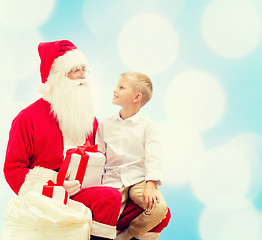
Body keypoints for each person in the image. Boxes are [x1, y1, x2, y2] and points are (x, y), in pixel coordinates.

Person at [3, 40, 122, 240]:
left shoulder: (89, 120)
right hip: (49, 195)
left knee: (144, 209)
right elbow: (13, 168)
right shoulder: (27, 118)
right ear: (57, 78)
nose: (83, 75)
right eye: (75, 70)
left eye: (84, 70)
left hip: (87, 190)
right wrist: (52, 185)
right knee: (110, 198)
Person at [96, 72, 168, 240]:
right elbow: (98, 157)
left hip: (139, 179)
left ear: (136, 97)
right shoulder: (105, 125)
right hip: (112, 179)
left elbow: (154, 158)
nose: (115, 91)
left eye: (121, 88)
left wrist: (151, 185)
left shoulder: (149, 127)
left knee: (159, 209)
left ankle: (126, 235)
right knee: (105, 214)